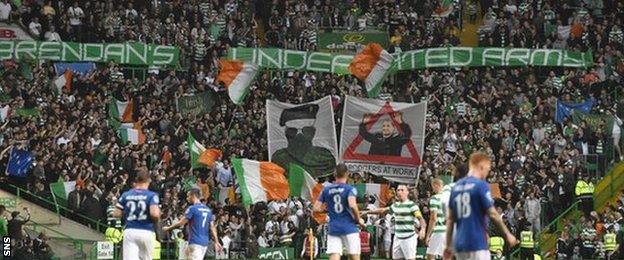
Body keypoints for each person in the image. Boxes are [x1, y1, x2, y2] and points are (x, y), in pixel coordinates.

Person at [444, 152, 517, 260]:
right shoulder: (480, 185)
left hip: (460, 244)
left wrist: (448, 245)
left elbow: (450, 220)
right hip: (477, 242)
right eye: (487, 170)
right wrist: (507, 234)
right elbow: (492, 213)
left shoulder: (456, 188)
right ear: (481, 166)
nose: (487, 173)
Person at [313, 163, 365, 260]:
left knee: (335, 255)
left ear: (334, 174)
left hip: (334, 228)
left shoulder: (326, 190)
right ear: (347, 174)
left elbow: (315, 208)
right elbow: (353, 205)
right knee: (354, 256)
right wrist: (358, 220)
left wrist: (327, 209)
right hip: (349, 227)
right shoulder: (350, 189)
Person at [272, 104, 336, 177]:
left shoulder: (326, 157)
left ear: (313, 131)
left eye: (306, 130)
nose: (299, 135)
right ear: (286, 132)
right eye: (293, 131)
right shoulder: (279, 158)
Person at [367, 184, 427, 260]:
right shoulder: (395, 205)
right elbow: (383, 210)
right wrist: (367, 212)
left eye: (402, 190)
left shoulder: (412, 206)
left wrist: (423, 229)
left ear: (407, 192)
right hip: (397, 238)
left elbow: (421, 219)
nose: (399, 192)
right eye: (398, 190)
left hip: (409, 238)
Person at [112, 171, 161, 260]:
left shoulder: (126, 195)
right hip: (146, 231)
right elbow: (155, 214)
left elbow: (116, 214)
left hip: (130, 230)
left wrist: (127, 212)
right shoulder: (152, 195)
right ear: (148, 181)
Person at [164, 188, 222, 260]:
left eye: (188, 196)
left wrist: (168, 228)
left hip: (195, 242)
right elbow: (212, 227)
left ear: (193, 196)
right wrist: (216, 241)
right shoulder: (208, 210)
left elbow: (181, 223)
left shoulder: (192, 208)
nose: (187, 198)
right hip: (204, 242)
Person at [426, 178, 446, 259]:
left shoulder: (434, 198)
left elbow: (433, 218)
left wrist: (428, 235)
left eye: (432, 186)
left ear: (436, 185)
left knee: (430, 255)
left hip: (438, 230)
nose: (432, 189)